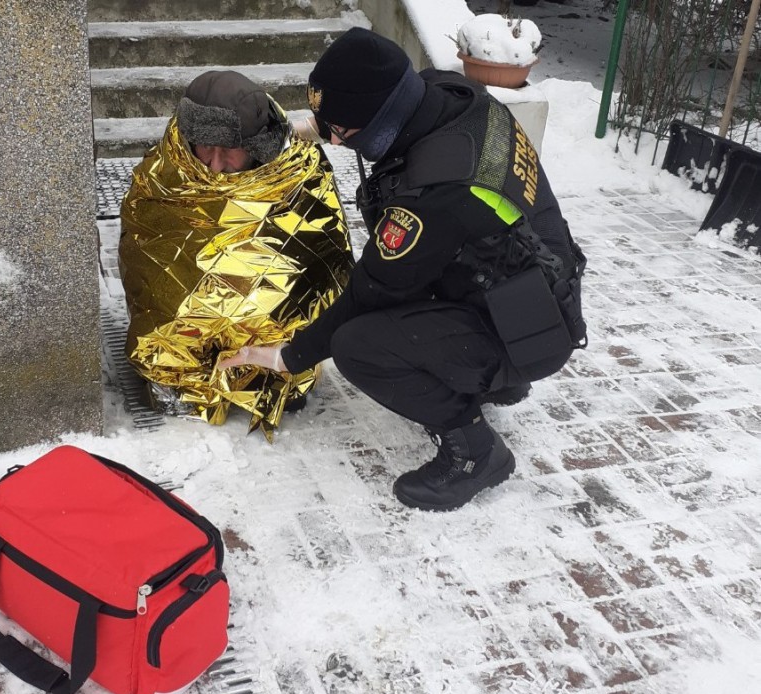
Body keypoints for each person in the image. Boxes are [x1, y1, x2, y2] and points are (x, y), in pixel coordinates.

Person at [219, 28, 586, 510]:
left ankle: (476, 453)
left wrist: (289, 356)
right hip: (535, 288)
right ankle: (498, 378)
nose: (332, 138)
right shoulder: (453, 98)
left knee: (359, 346)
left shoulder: (434, 193)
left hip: (531, 333)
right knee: (448, 268)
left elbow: (369, 290)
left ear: (380, 126)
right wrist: (310, 128)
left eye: (340, 133)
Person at [118, 70, 353, 439]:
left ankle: (275, 368)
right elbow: (145, 260)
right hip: (185, 335)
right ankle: (183, 370)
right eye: (205, 150)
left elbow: (323, 259)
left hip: (274, 333)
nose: (214, 165)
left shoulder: (296, 171)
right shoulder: (163, 175)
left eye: (228, 151)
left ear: (256, 144)